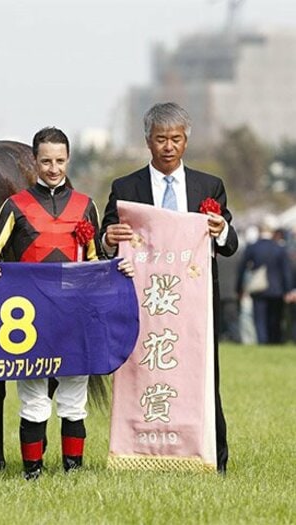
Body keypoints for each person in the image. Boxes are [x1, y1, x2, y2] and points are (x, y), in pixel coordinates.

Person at [0, 127, 132, 479]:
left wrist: (116, 268)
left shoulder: (85, 206)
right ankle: (32, 470)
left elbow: (94, 261)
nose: (53, 168)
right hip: (29, 317)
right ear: (34, 161)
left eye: (60, 160)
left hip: (74, 315)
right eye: (46, 161)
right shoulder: (14, 206)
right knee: (33, 399)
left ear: (68, 160)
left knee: (74, 397)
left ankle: (72, 470)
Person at [100, 102, 238, 474]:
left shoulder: (209, 186)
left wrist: (219, 229)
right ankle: (140, 450)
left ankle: (212, 457)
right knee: (141, 373)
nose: (168, 146)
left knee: (203, 377)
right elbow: (107, 238)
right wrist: (110, 239)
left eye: (175, 139)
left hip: (193, 305)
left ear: (186, 141)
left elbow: (229, 243)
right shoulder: (125, 187)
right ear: (147, 141)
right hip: (142, 302)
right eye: (160, 139)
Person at [236, 215, 292, 344]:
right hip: (277, 289)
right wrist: (288, 289)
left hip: (258, 287)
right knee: (275, 319)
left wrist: (239, 288)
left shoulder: (253, 247)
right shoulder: (279, 249)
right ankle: (274, 341)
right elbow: (286, 271)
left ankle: (262, 341)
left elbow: (242, 268)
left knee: (259, 319)